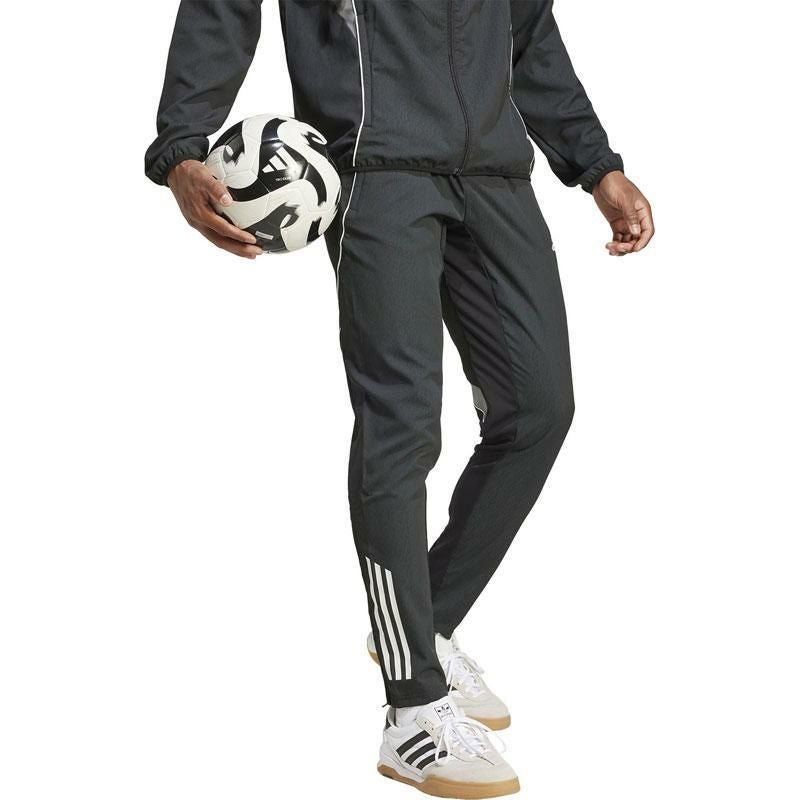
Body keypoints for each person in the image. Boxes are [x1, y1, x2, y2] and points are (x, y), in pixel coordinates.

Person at [145, 1, 654, 796]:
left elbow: (528, 32)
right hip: (377, 172)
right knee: (403, 425)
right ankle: (412, 708)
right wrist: (183, 142)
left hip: (494, 171)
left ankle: (425, 623)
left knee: (540, 408)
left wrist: (597, 165)